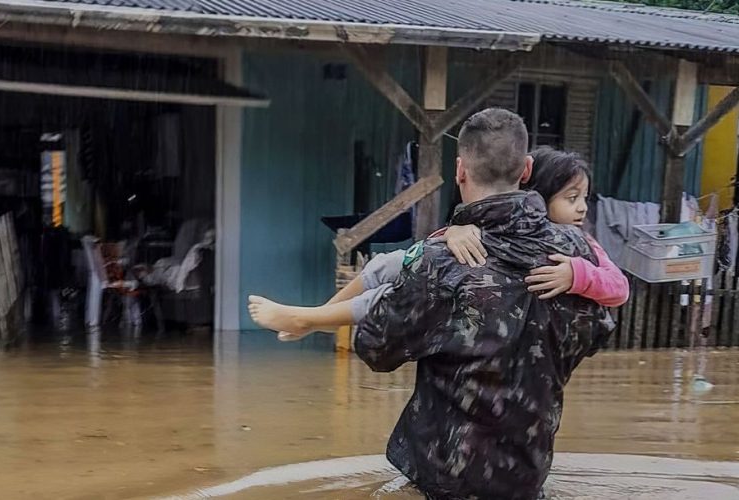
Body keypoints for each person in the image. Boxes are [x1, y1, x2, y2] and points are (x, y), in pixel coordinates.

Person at [263, 108, 615, 499]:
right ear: (527, 169)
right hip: (529, 473)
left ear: (460, 170)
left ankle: (307, 317)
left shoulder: (442, 261)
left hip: (447, 476)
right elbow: (598, 332)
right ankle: (307, 317)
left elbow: (377, 349)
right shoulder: (577, 251)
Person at [247, 147, 629, 338]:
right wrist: (453, 231)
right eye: (571, 198)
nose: (581, 208)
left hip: (499, 317)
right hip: (483, 305)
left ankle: (309, 320)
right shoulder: (494, 222)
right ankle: (318, 317)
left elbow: (619, 288)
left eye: (583, 199)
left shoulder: (579, 246)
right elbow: (435, 252)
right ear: (535, 189)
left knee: (392, 297)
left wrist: (577, 275)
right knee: (387, 265)